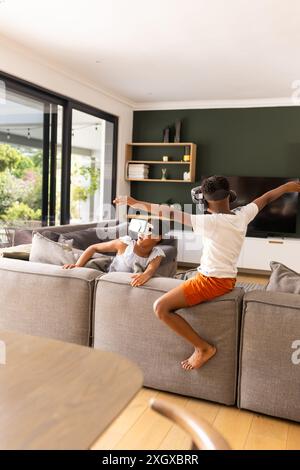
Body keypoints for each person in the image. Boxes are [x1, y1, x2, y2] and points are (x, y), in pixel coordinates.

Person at [114, 176, 300, 370]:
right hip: (226, 278)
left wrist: (135, 203)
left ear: (204, 200)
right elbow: (267, 198)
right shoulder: (242, 214)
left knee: (160, 307)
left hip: (211, 281)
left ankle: (203, 348)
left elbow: (167, 212)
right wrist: (287, 187)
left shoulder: (208, 222)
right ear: (230, 196)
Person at [63, 221, 166, 287]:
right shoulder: (125, 244)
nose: (141, 232)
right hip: (109, 277)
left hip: (125, 282)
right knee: (78, 256)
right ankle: (68, 251)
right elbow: (93, 248)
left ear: (157, 237)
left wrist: (145, 275)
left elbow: (151, 270)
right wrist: (77, 266)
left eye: (147, 230)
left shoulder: (157, 254)